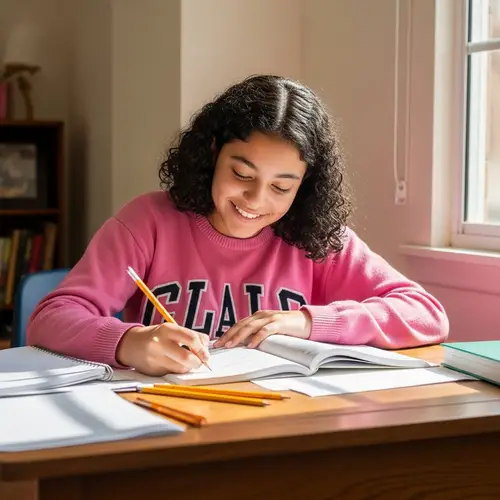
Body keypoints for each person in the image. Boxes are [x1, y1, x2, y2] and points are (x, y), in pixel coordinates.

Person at [27, 75, 449, 376]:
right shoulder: (149, 221)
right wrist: (130, 341)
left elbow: (428, 315)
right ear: (213, 152)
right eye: (242, 175)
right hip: (164, 418)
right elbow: (51, 317)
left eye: (282, 187)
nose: (256, 200)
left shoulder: (315, 236)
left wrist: (308, 322)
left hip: (279, 423)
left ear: (305, 185)